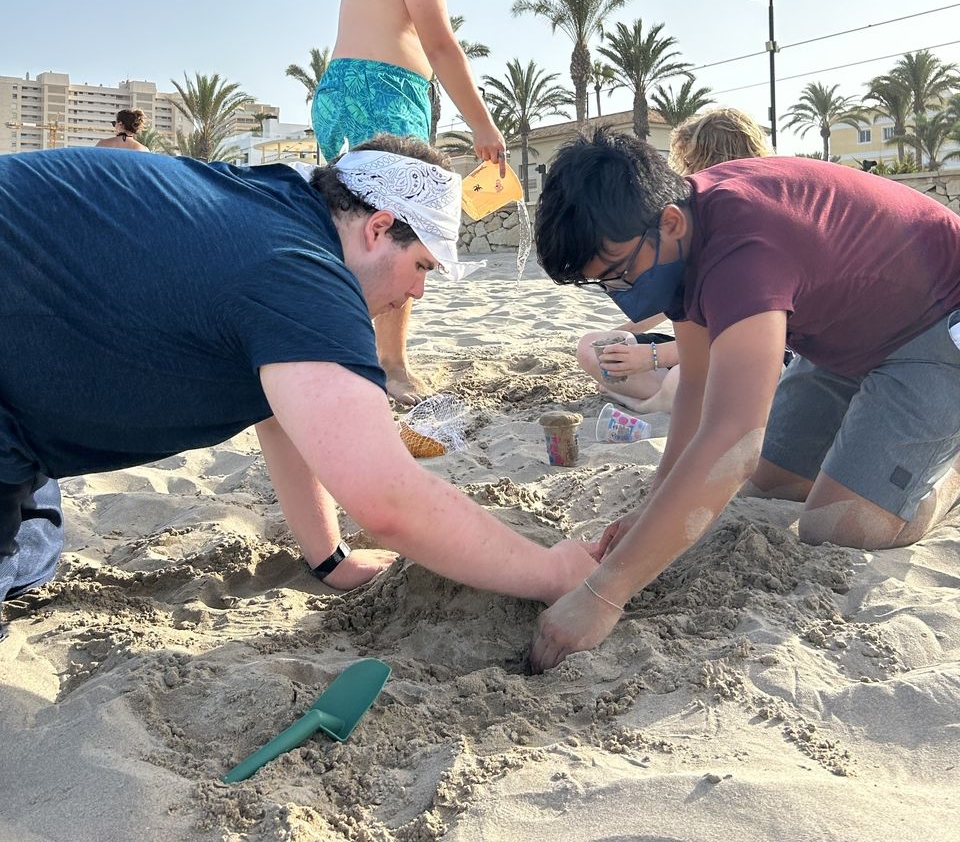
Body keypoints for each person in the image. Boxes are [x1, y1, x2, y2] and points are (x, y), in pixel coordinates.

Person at [0, 135, 597, 639]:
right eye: (421, 266)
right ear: (379, 228)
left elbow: (286, 413)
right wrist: (551, 573)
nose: (417, 293)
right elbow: (388, 502)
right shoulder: (302, 269)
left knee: (34, 554)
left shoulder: (281, 203)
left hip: (24, 398)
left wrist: (330, 559)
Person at [529, 128, 960, 671]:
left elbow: (734, 441)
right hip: (844, 333)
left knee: (840, 527)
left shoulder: (744, 249)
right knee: (769, 486)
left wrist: (603, 594)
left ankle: (947, 468)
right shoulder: (681, 236)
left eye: (619, 274)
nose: (620, 294)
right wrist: (653, 503)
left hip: (936, 324)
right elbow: (698, 386)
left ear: (669, 222)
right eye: (602, 284)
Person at [312, 0, 521, 405]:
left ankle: (352, 351)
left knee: (359, 231)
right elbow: (440, 44)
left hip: (350, 88)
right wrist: (483, 124)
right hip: (379, 90)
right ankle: (390, 364)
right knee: (405, 229)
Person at [576, 108, 771, 414]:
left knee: (687, 378)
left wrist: (652, 356)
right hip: (690, 348)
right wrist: (620, 338)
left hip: (749, 352)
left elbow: (739, 338)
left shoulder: (744, 228)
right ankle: (666, 399)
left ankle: (642, 403)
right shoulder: (688, 221)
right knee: (592, 346)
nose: (686, 172)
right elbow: (668, 301)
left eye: (692, 162)